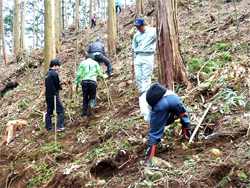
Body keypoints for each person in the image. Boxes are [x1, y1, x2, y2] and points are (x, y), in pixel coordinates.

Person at [139, 82, 191, 166]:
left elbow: (148, 116)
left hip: (161, 105)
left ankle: (148, 160)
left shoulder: (141, 99)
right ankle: (187, 140)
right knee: (184, 115)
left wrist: (155, 126)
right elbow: (170, 106)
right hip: (174, 99)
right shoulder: (161, 90)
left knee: (154, 133)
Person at [132, 18, 157, 94]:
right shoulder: (136, 35)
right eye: (137, 27)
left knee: (146, 77)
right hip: (138, 57)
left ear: (144, 24)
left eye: (140, 27)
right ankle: (142, 93)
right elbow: (133, 48)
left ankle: (145, 94)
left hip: (148, 56)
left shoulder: (153, 31)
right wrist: (135, 59)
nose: (138, 29)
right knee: (138, 77)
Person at [45, 59, 65, 132]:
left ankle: (48, 128)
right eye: (57, 66)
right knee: (61, 111)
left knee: (49, 112)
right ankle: (59, 126)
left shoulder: (47, 74)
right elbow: (57, 84)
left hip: (48, 96)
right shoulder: (55, 73)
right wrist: (61, 87)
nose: (58, 67)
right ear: (54, 65)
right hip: (54, 95)